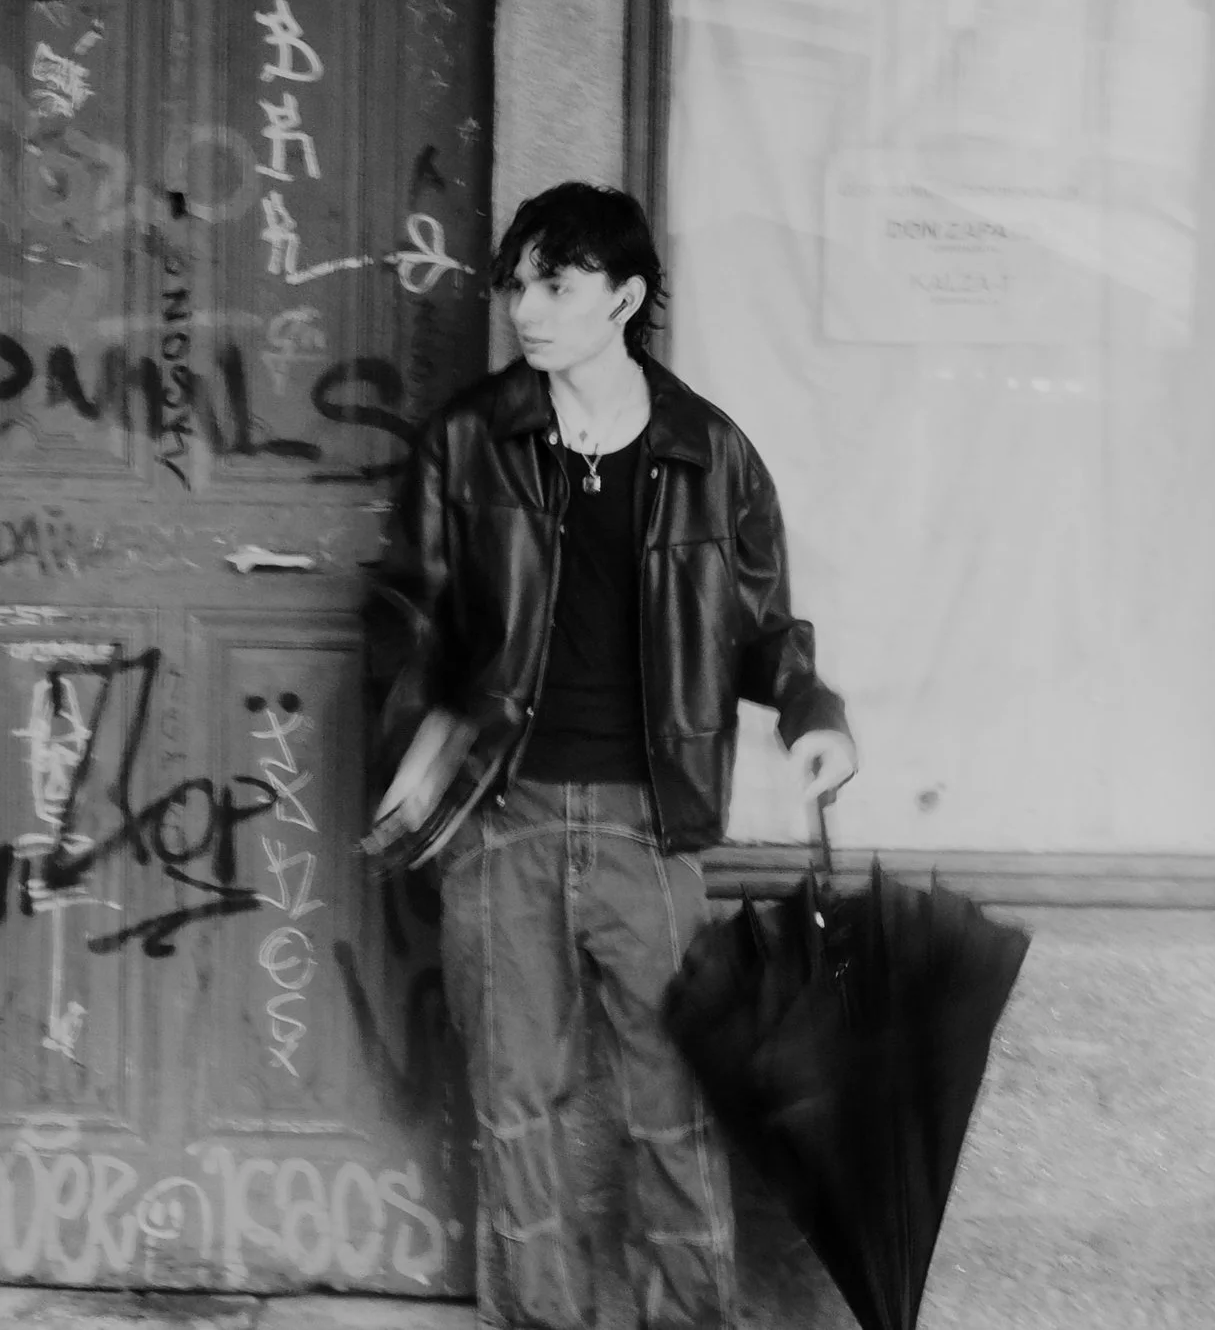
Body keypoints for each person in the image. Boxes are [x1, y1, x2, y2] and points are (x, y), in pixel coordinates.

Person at [365, 181, 857, 1330]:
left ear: (624, 297)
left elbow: (762, 625)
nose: (524, 309)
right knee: (516, 1099)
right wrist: (420, 730)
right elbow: (406, 608)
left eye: (555, 284)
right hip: (504, 811)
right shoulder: (468, 439)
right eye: (515, 284)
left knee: (672, 1101)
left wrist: (812, 710)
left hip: (652, 819)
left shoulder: (708, 453)